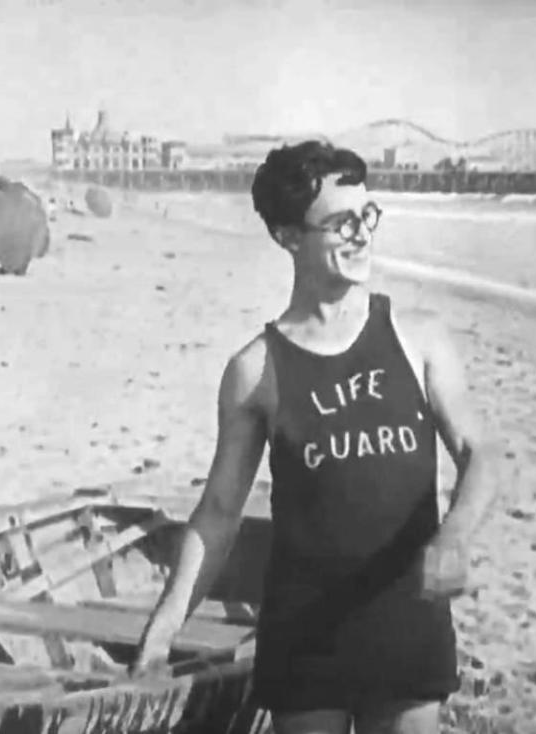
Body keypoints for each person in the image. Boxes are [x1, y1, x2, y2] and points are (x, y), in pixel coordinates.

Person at [130, 141, 504, 734]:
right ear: (288, 236)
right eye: (340, 223)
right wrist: (163, 630)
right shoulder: (255, 371)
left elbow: (480, 452)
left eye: (367, 216)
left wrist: (454, 535)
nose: (361, 235)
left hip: (407, 624)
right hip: (303, 637)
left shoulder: (419, 339)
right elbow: (219, 513)